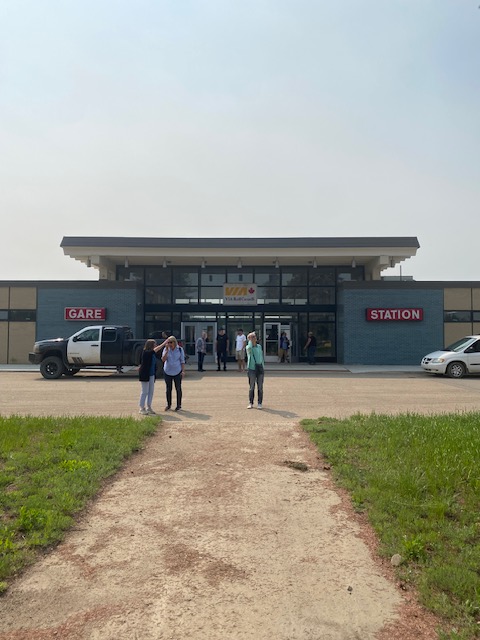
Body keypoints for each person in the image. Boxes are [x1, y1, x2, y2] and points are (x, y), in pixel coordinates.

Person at [138, 337, 168, 415]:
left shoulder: (153, 354)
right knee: (144, 391)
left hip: (151, 374)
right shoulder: (146, 352)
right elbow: (156, 349)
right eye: (155, 344)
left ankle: (149, 407)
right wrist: (165, 343)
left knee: (151, 391)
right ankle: (141, 408)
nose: (156, 345)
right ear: (151, 345)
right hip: (145, 374)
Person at [162, 336, 185, 411]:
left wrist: (183, 371)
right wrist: (167, 351)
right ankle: (169, 405)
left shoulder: (180, 349)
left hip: (177, 371)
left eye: (171, 342)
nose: (169, 344)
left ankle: (179, 405)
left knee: (178, 388)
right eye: (168, 343)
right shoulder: (166, 349)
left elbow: (182, 361)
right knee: (168, 389)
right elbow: (163, 359)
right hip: (167, 371)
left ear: (174, 342)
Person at [246, 332, 265, 409]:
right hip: (252, 369)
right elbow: (249, 349)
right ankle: (251, 402)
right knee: (252, 387)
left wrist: (263, 366)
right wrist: (250, 341)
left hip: (260, 368)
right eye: (252, 337)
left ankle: (260, 403)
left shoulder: (259, 346)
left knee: (260, 387)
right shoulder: (248, 347)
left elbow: (261, 357)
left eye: (254, 337)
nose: (254, 338)